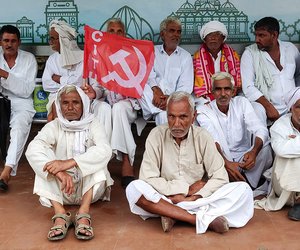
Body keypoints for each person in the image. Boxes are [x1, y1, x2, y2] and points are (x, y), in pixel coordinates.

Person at [126, 91, 253, 234]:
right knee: (134, 188)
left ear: (193, 117)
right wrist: (186, 189)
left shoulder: (203, 137)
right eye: (171, 117)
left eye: (183, 117)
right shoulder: (156, 135)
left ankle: (172, 214)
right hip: (167, 197)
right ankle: (197, 219)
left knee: (244, 191)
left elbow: (220, 176)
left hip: (193, 200)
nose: (176, 124)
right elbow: (147, 178)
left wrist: (194, 197)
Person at [25, 85, 113, 240]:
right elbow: (32, 149)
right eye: (65, 103)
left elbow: (105, 150)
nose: (70, 107)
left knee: (99, 159)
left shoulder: (93, 124)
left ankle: (83, 213)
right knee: (43, 159)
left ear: (84, 104)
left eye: (76, 102)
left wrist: (69, 163)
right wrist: (58, 171)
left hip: (89, 191)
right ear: (59, 105)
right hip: (61, 191)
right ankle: (59, 214)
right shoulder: (54, 125)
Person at [84, 18, 147, 188]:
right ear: (106, 33)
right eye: (111, 31)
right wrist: (94, 92)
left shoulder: (132, 54)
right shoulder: (98, 55)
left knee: (118, 108)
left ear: (124, 34)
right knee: (104, 108)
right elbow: (98, 89)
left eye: (119, 31)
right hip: (103, 102)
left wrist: (123, 88)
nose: (115, 34)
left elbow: (136, 85)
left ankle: (127, 160)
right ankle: (102, 162)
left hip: (126, 103)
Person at [197, 72, 273, 196]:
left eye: (227, 89)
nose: (222, 94)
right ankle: (243, 185)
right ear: (212, 92)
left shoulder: (241, 103)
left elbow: (259, 128)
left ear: (233, 91)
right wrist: (227, 164)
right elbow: (212, 141)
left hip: (245, 158)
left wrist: (253, 152)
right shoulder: (204, 111)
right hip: (220, 158)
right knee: (210, 158)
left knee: (265, 149)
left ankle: (246, 183)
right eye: (218, 89)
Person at [42, 20, 111, 138]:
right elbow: (47, 84)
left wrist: (59, 79)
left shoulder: (86, 58)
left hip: (84, 98)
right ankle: (56, 147)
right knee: (56, 107)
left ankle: (104, 150)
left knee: (104, 108)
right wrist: (71, 84)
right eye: (50, 38)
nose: (51, 42)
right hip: (58, 96)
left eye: (53, 38)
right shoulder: (52, 59)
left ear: (63, 40)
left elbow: (90, 85)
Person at [241, 16, 300, 124]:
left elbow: (298, 76)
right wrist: (268, 107)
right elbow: (248, 87)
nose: (257, 39)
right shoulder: (250, 54)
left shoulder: (290, 49)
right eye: (256, 35)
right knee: (257, 110)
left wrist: (297, 102)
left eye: (262, 35)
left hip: (293, 108)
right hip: (268, 109)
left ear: (274, 35)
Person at [0, 25, 37, 191]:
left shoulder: (28, 59)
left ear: (19, 42)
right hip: (1, 100)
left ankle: (7, 171)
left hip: (22, 102)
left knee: (20, 126)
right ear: (0, 42)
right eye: (6, 40)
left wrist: (5, 74)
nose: (9, 44)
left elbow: (27, 90)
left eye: (13, 41)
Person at [255, 87, 300, 220]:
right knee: (292, 159)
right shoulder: (279, 126)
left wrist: (294, 144)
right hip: (285, 187)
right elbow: (281, 150)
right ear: (291, 108)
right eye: (299, 107)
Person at [140, 16, 193, 125]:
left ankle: (163, 108)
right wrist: (155, 89)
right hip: (154, 97)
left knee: (163, 115)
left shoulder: (185, 56)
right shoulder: (152, 52)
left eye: (179, 32)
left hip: (174, 99)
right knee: (141, 86)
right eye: (172, 31)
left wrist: (170, 99)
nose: (176, 34)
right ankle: (164, 107)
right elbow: (148, 75)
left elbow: (186, 86)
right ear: (162, 34)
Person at [193, 20, 241, 105]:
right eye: (209, 35)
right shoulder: (197, 58)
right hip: (204, 100)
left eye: (217, 35)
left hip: (230, 98)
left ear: (223, 38)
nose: (213, 38)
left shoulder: (233, 56)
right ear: (204, 39)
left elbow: (238, 84)